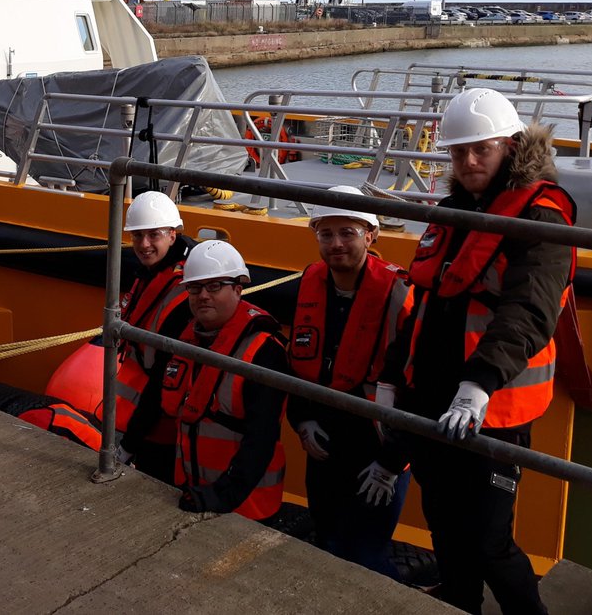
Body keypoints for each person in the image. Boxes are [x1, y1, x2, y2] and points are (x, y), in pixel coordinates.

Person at [379, 88, 575, 615]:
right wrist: (391, 377)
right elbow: (424, 304)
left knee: (490, 539)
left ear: (510, 147)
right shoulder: (452, 210)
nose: (467, 162)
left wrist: (478, 384)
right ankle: (458, 598)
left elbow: (530, 311)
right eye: (457, 151)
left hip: (492, 408)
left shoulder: (542, 218)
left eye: (480, 149)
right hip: (432, 396)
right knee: (442, 515)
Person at [286, 186, 413, 578]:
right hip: (324, 444)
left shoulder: (399, 295)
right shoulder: (311, 282)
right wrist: (301, 420)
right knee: (327, 543)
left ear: (371, 235)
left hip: (376, 450)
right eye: (327, 234)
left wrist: (390, 464)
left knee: (366, 557)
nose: (336, 243)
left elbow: (417, 386)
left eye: (348, 232)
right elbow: (299, 363)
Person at [162, 240, 288, 525]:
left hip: (245, 506)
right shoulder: (189, 340)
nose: (203, 296)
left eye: (215, 286)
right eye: (195, 288)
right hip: (192, 492)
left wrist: (223, 496)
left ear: (238, 289)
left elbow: (261, 438)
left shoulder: (265, 351)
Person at [114, 191, 195, 483]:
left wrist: (129, 444)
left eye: (153, 235)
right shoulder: (150, 272)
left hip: (162, 425)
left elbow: (164, 374)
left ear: (173, 235)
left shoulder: (185, 290)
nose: (143, 244)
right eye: (137, 236)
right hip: (141, 417)